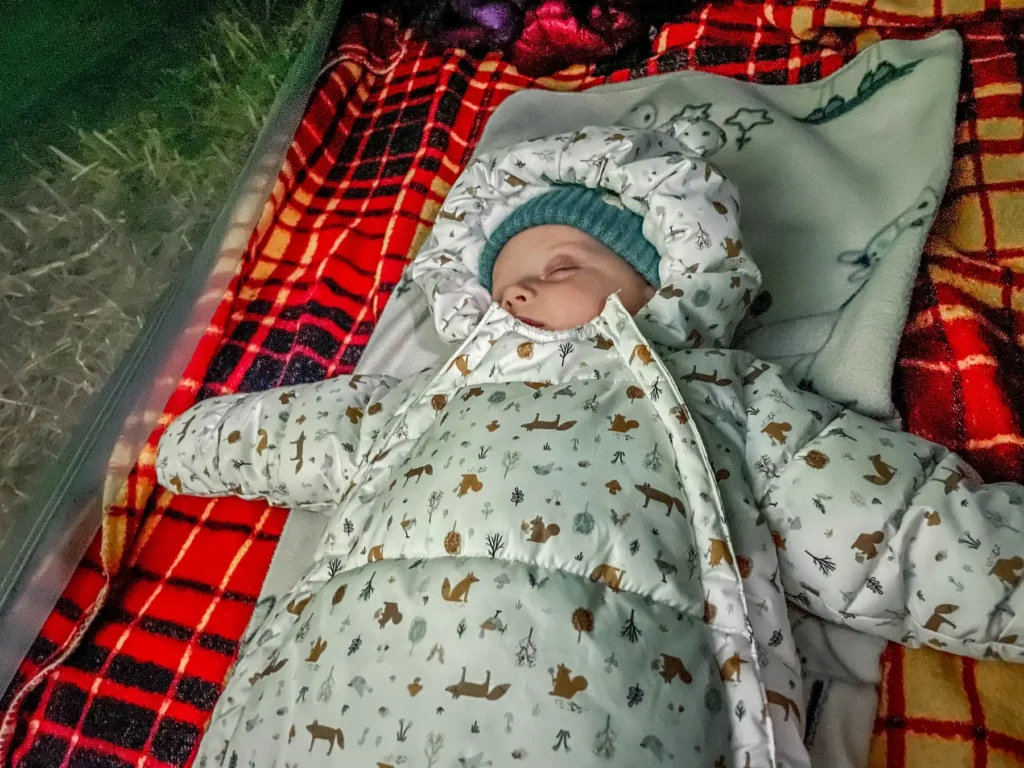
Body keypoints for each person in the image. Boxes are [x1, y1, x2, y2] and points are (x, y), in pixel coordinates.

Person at [158, 123, 1023, 768]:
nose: (521, 291)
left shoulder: (718, 399)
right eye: (504, 285)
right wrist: (184, 441)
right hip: (335, 688)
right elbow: (301, 430)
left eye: (561, 266)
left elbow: (897, 529)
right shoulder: (430, 396)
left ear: (660, 283)